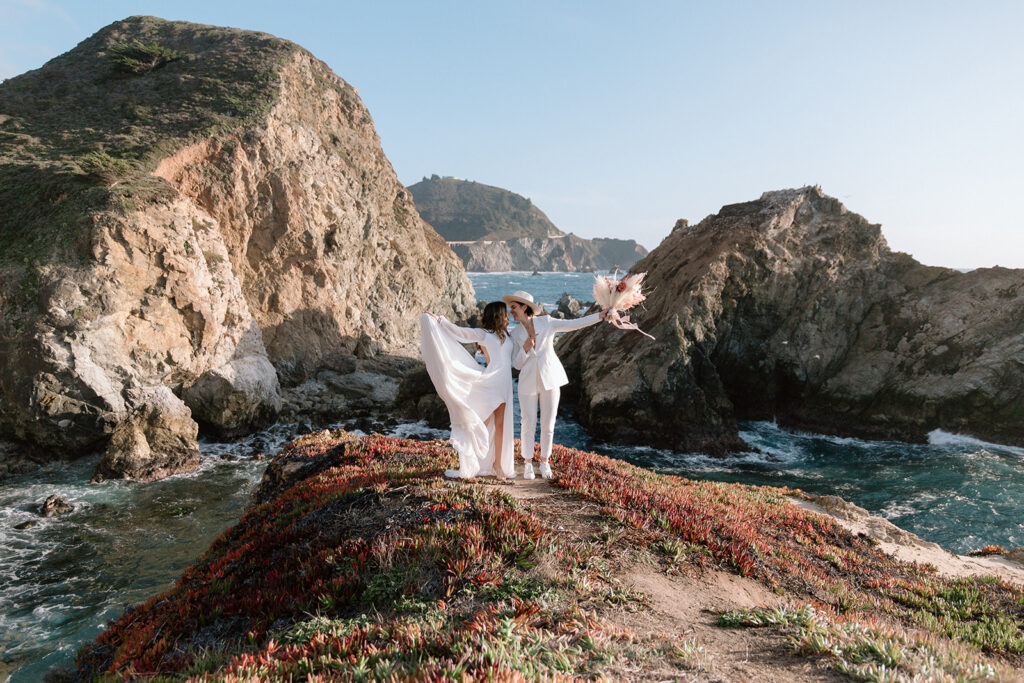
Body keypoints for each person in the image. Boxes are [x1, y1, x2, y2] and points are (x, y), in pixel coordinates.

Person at [503, 290, 606, 479]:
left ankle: (544, 462)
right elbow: (516, 364)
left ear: (525, 307)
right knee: (527, 423)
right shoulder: (515, 334)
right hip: (527, 382)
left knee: (548, 424)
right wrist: (525, 349)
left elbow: (574, 324)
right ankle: (527, 463)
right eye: (511, 308)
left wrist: (600, 315)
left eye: (514, 307)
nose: (511, 312)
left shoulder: (547, 322)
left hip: (550, 378)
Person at [420, 302, 514, 479]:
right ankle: (472, 461)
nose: (508, 317)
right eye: (505, 314)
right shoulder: (483, 334)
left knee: (501, 424)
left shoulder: (507, 335)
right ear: (498, 315)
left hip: (505, 384)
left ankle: (498, 465)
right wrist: (439, 320)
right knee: (479, 425)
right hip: (490, 382)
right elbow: (459, 332)